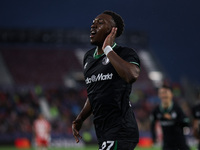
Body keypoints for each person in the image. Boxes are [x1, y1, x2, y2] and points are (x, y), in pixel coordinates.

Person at [72, 10, 140, 150]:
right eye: (93, 23)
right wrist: (80, 119)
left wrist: (108, 49)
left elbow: (131, 76)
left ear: (112, 30)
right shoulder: (88, 58)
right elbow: (94, 93)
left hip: (121, 129)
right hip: (103, 131)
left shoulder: (125, 53)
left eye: (100, 23)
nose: (93, 26)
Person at [150, 84, 190, 150]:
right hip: (166, 145)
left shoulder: (177, 109)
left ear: (171, 94)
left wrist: (173, 119)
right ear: (159, 95)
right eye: (161, 93)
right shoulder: (156, 110)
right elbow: (152, 125)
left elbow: (186, 123)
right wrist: (154, 138)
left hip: (180, 144)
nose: (163, 95)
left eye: (165, 93)